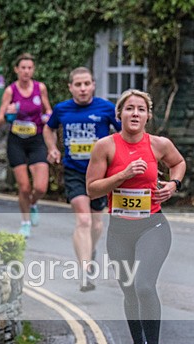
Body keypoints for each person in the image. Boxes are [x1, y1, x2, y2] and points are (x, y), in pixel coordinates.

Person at [85, 89, 185, 344]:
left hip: (152, 226)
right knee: (129, 291)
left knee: (143, 285)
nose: (135, 114)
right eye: (129, 108)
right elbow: (92, 188)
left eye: (141, 109)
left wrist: (174, 184)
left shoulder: (158, 144)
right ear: (119, 115)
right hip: (120, 231)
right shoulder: (105, 147)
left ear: (147, 116)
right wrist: (123, 175)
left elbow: (178, 163)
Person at [44, 67, 121, 291]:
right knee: (83, 220)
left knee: (97, 224)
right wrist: (52, 149)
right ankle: (85, 271)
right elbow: (48, 130)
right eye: (78, 85)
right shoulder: (61, 109)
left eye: (86, 84)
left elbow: (122, 134)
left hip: (100, 174)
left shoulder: (106, 108)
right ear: (71, 87)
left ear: (93, 85)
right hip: (74, 171)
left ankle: (90, 250)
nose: (83, 88)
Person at [0, 53, 53, 238]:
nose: (26, 71)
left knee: (41, 187)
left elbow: (48, 110)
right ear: (17, 70)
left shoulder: (40, 88)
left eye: (29, 68)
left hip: (36, 140)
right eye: (23, 68)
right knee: (24, 187)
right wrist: (8, 114)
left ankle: (33, 203)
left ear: (33, 70)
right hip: (16, 141)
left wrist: (48, 117)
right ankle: (25, 222)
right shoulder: (10, 91)